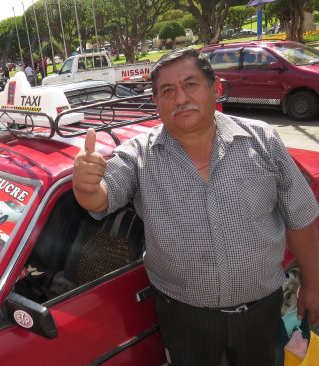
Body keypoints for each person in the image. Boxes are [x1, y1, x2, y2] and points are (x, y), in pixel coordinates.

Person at [72, 48, 319, 365]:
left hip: (260, 312)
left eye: (191, 84)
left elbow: (299, 219)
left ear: (216, 87)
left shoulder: (264, 140)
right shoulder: (138, 155)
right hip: (184, 318)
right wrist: (86, 186)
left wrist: (312, 284)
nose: (180, 98)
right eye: (167, 91)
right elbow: (102, 196)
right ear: (157, 103)